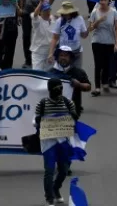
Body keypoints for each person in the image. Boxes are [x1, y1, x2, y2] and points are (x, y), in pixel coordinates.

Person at [35, 77, 78, 205]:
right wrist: (42, 121)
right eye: (56, 88)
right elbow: (36, 120)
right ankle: (49, 197)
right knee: (49, 170)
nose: (59, 90)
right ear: (50, 89)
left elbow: (75, 118)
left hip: (63, 141)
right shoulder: (42, 104)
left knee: (64, 169)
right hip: (48, 141)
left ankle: (55, 187)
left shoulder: (68, 102)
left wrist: (72, 116)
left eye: (61, 88)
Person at [88, 0, 117, 95]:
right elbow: (90, 28)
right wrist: (99, 20)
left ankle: (105, 82)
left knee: (107, 63)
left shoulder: (113, 12)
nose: (102, 2)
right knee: (98, 64)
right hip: (97, 41)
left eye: (105, 0)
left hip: (109, 41)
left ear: (108, 1)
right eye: (101, 0)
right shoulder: (94, 12)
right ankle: (97, 87)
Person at [47, 1, 88, 69]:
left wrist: (88, 30)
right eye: (64, 13)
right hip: (64, 54)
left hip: (76, 52)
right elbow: (55, 38)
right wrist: (50, 53)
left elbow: (83, 36)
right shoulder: (59, 21)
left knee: (77, 73)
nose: (66, 15)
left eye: (67, 13)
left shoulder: (79, 19)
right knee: (63, 75)